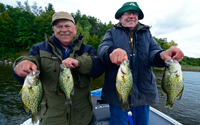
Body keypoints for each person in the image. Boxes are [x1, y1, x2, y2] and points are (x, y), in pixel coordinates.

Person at [97, 2, 184, 125]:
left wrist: (163, 54)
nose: (132, 16)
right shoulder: (111, 32)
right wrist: (112, 50)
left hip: (143, 93)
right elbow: (102, 49)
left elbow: (155, 53)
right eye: (127, 13)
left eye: (135, 13)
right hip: (117, 95)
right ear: (120, 18)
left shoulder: (147, 33)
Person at [12, 11, 105, 125]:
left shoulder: (87, 49)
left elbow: (98, 68)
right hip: (51, 119)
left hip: (83, 118)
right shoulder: (40, 48)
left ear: (75, 28)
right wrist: (23, 64)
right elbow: (29, 59)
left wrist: (79, 62)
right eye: (59, 27)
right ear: (53, 29)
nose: (64, 30)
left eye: (67, 26)